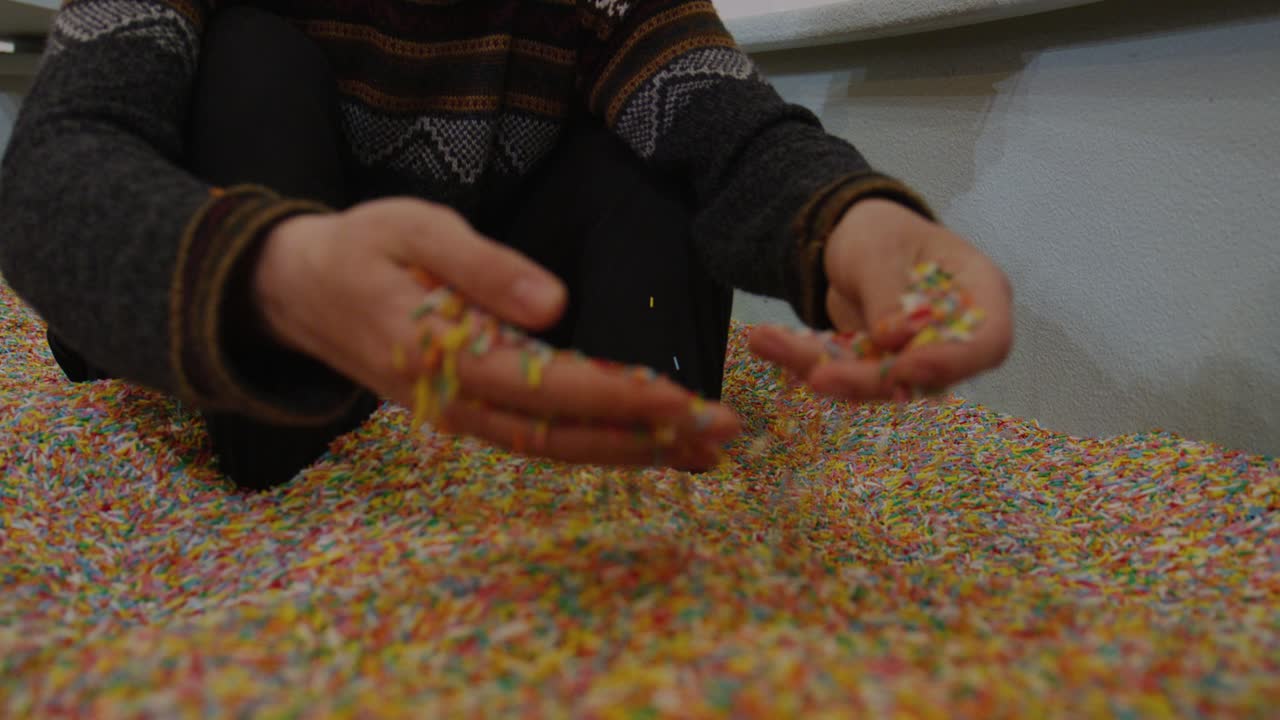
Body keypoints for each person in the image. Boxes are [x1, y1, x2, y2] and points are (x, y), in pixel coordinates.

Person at [0, 0, 1012, 491]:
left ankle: (636, 470)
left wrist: (848, 219)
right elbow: (50, 173)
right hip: (268, 314)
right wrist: (278, 273)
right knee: (249, 65)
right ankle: (286, 451)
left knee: (650, 145)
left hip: (492, 329)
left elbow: (720, 119)